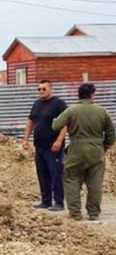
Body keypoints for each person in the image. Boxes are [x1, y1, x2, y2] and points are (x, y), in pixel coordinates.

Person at [51, 82, 115, 221]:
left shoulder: (71, 110)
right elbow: (111, 134)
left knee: (72, 180)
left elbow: (56, 126)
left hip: (76, 149)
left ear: (78, 95)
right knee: (95, 183)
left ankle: (75, 213)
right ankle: (93, 213)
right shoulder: (102, 111)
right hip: (96, 150)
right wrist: (103, 147)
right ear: (92, 95)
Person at [22, 80, 68, 211]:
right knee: (42, 174)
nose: (41, 91)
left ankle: (59, 202)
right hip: (40, 146)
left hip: (53, 147)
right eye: (39, 89)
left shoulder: (59, 104)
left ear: (50, 89)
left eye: (44, 89)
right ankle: (46, 201)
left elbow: (66, 124)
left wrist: (59, 140)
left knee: (56, 174)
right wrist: (25, 139)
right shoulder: (37, 104)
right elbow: (31, 122)